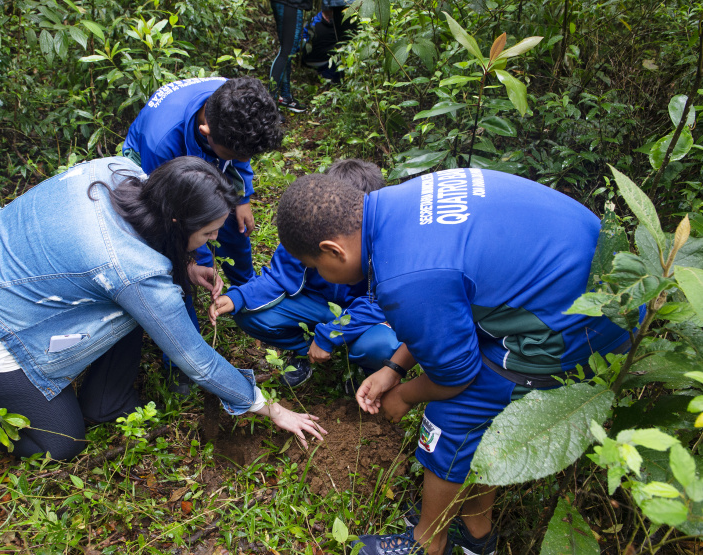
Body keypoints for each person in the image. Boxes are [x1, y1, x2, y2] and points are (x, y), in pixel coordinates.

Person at [0, 156, 326, 474]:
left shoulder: (123, 172)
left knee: (136, 301)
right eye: (206, 234)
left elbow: (124, 253)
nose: (210, 241)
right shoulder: (132, 271)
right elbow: (197, 361)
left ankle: (105, 401)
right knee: (61, 442)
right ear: (176, 222)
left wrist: (186, 264)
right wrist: (268, 407)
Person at [275, 169, 633, 555]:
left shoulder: (406, 274)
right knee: (471, 403)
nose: (318, 274)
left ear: (333, 250)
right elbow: (443, 298)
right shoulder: (396, 207)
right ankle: (476, 534)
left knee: (452, 414)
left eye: (314, 267)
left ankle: (428, 542)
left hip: (583, 323)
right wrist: (394, 368)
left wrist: (405, 395)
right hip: (604, 283)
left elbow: (455, 376)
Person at [122, 76, 283, 392]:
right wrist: (192, 260)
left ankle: (247, 295)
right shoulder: (161, 142)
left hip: (207, 155)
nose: (240, 161)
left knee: (233, 225)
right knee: (173, 266)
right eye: (233, 157)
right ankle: (185, 356)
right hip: (157, 175)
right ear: (206, 132)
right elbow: (172, 217)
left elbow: (240, 154)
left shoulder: (233, 103)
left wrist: (243, 197)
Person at [209, 159, 400, 389]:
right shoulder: (310, 229)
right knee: (248, 313)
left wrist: (330, 334)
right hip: (315, 306)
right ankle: (305, 352)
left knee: (382, 346)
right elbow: (278, 277)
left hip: (362, 316)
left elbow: (380, 303)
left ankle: (364, 370)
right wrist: (236, 297)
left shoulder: (387, 246)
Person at [301, 1, 358, 84]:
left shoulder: (314, 21)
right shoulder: (315, 22)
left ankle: (338, 79)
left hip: (319, 60)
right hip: (318, 60)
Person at [270, 0, 312, 112]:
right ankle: (270, 105)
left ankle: (285, 97)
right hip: (290, 3)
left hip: (288, 4)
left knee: (287, 50)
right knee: (286, 52)